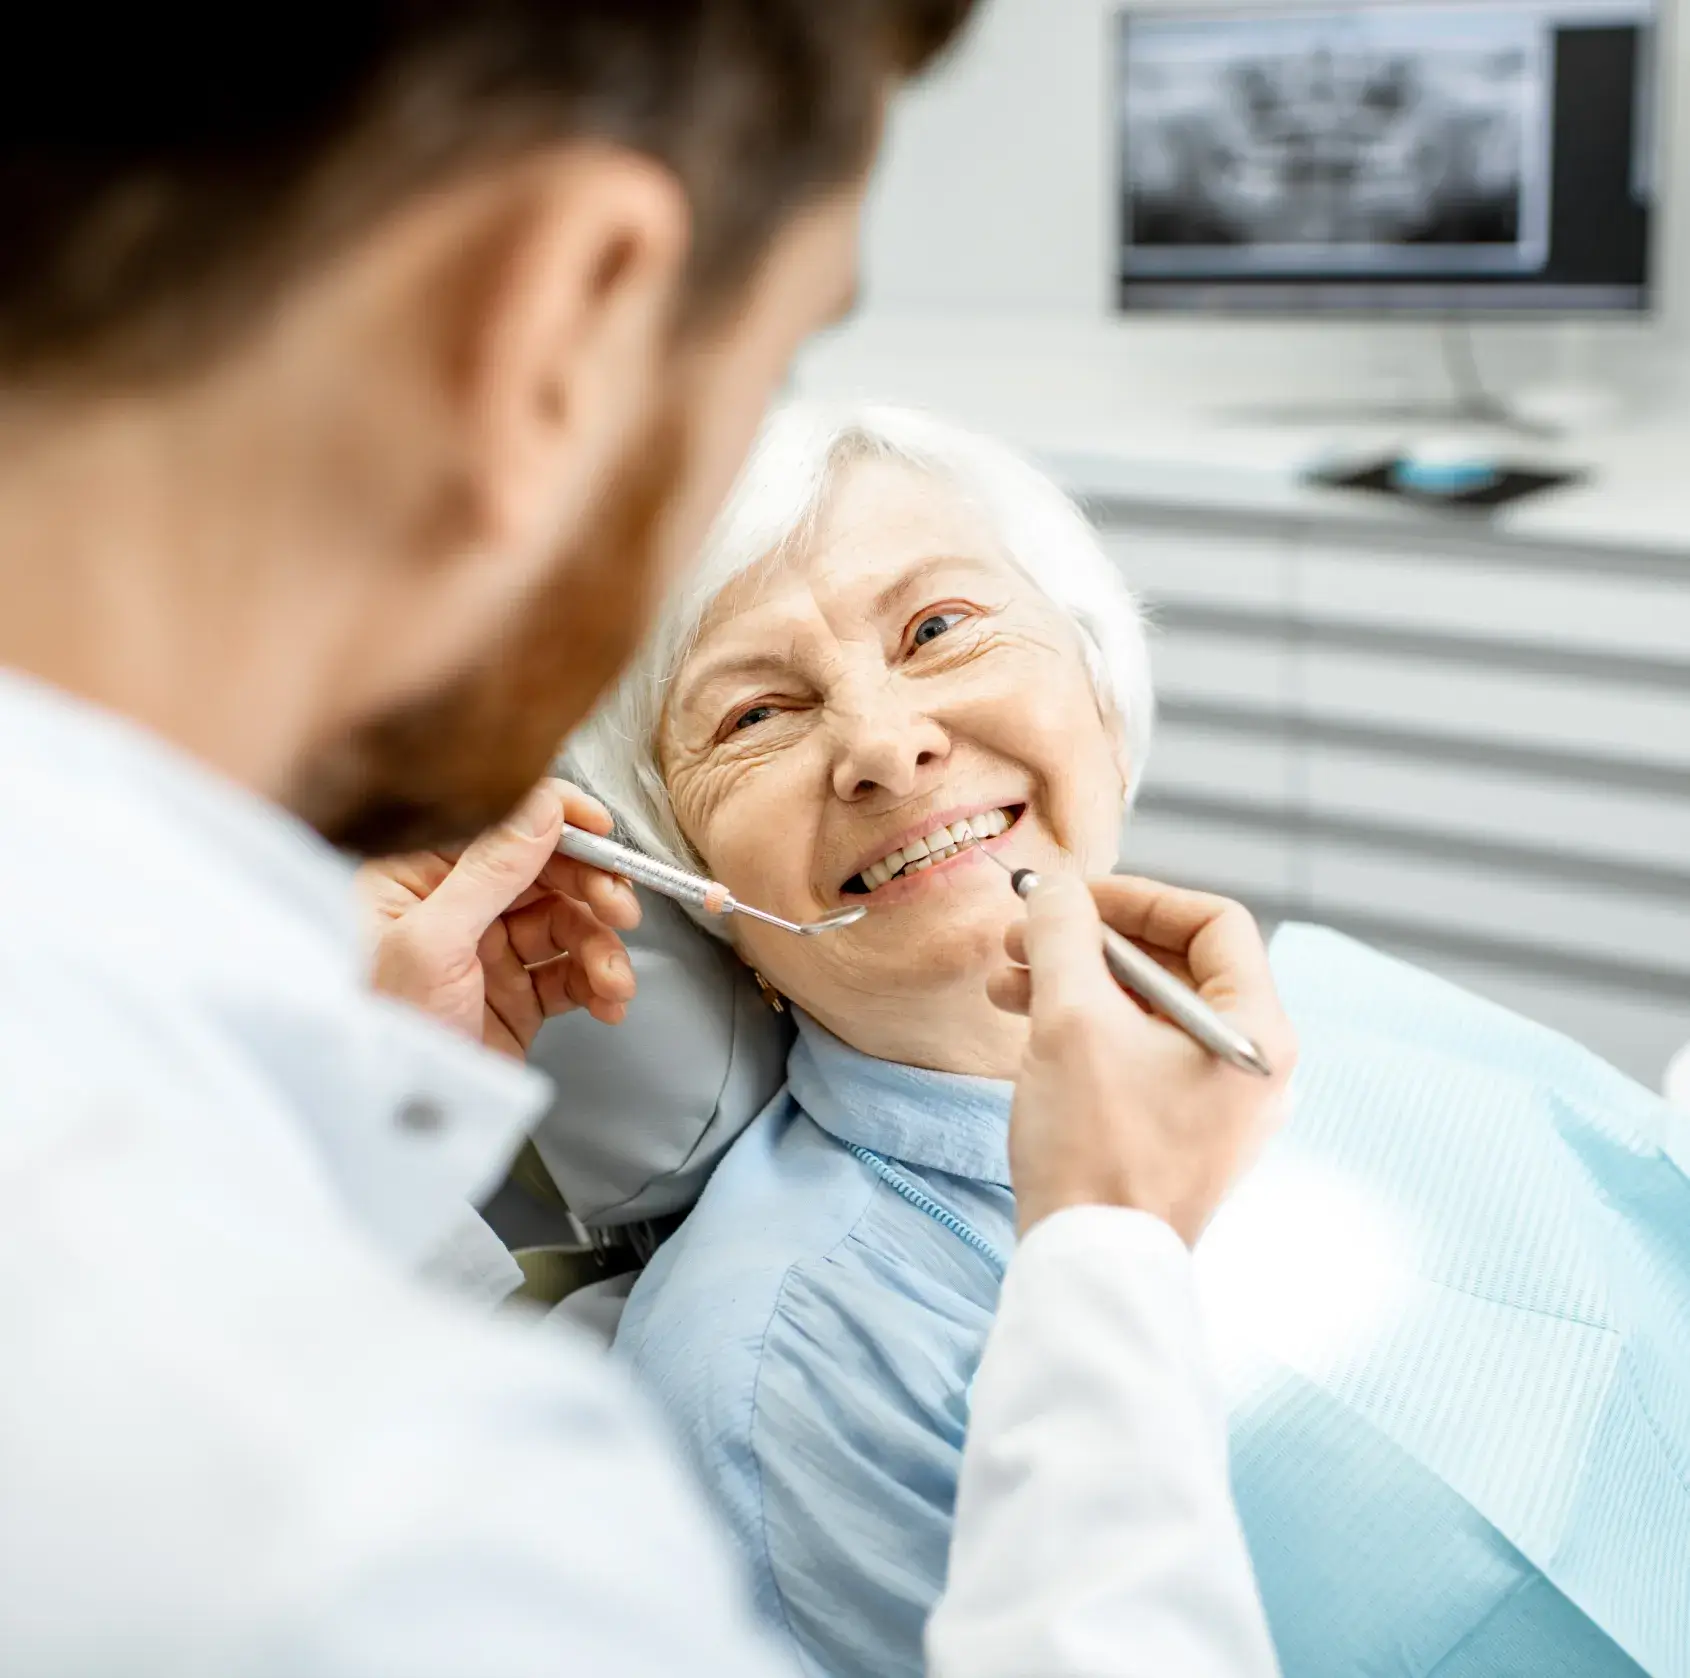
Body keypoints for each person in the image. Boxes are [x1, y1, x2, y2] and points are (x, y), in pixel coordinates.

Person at [0, 9, 1295, 1677]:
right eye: (775, 358)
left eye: (947, 623)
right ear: (567, 316)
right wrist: (1107, 1264)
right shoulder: (379, 1511)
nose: (889, 737)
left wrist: (340, 1120)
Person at [575, 401, 1690, 1678]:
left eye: (937, 629)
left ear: (1097, 683)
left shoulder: (1340, 1001)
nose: (884, 744)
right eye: (754, 716)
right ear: (689, 880)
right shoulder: (782, 1363)